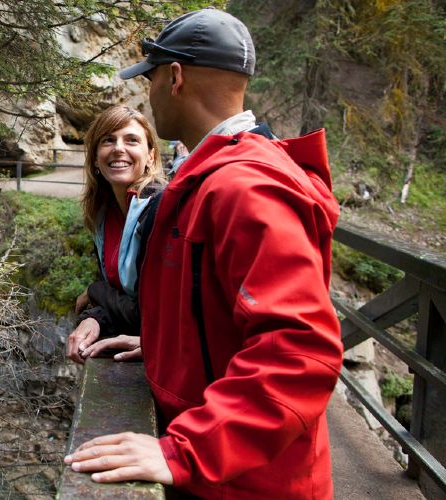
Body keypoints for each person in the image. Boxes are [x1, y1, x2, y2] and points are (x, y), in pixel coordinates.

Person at [64, 8, 343, 498]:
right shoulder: (207, 178)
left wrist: (184, 451)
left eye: (148, 79)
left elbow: (300, 351)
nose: (146, 95)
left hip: (247, 481)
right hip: (226, 468)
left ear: (174, 77)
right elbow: (215, 309)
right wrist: (165, 349)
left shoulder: (244, 187)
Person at [66, 106, 165, 364]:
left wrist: (94, 291)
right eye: (108, 140)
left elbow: (143, 312)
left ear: (150, 157)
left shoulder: (158, 210)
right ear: (96, 158)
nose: (119, 148)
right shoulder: (103, 214)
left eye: (131, 140)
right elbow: (119, 292)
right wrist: (95, 317)